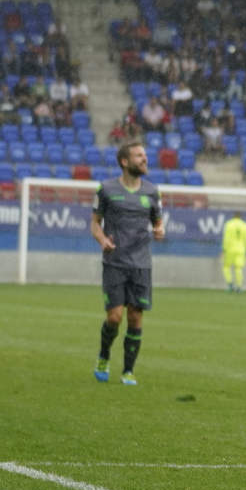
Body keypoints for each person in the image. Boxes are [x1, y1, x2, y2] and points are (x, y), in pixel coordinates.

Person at [90, 143, 165, 385]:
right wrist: (102, 240)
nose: (145, 159)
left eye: (145, 155)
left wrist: (160, 230)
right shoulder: (106, 189)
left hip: (141, 265)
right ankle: (104, 355)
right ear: (124, 161)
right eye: (139, 155)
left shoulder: (152, 192)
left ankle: (128, 371)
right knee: (114, 318)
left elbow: (158, 222)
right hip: (115, 263)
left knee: (135, 317)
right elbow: (95, 223)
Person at [221, 211, 246, 292]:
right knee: (238, 268)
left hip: (230, 249)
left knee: (226, 267)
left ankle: (230, 285)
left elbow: (226, 238)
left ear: (233, 216)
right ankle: (239, 287)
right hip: (241, 249)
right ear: (241, 217)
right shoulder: (245, 225)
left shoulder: (229, 224)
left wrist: (223, 249)